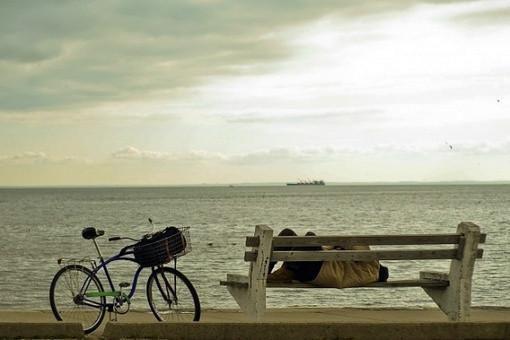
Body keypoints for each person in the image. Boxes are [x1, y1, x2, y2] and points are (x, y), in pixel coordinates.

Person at [267, 228, 389, 288]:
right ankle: (277, 273)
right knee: (293, 235)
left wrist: (333, 246)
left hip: (318, 271)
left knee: (308, 237)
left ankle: (275, 272)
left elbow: (353, 242)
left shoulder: (370, 266)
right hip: (312, 270)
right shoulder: (362, 271)